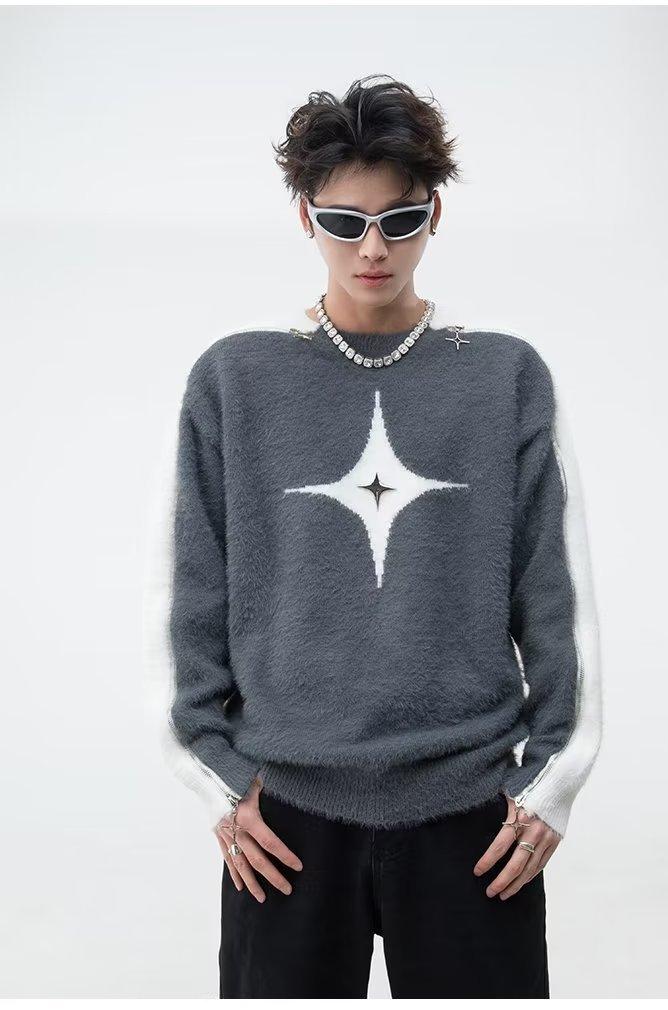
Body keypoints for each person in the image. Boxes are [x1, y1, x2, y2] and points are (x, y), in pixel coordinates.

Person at [142, 74, 603, 998]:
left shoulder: (505, 377)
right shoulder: (235, 379)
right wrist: (219, 778)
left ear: (436, 214)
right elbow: (188, 591)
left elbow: (557, 594)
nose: (374, 248)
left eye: (400, 219)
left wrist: (552, 779)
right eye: (344, 222)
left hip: (474, 813)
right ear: (304, 218)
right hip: (285, 816)